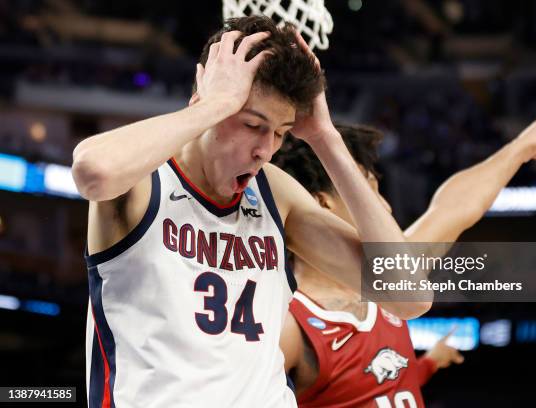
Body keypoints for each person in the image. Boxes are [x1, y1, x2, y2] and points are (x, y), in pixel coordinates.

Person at [71, 16, 431, 408]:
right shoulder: (145, 181)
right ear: (204, 99)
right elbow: (93, 172)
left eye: (279, 132)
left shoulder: (274, 192)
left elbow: (409, 296)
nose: (265, 149)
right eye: (251, 124)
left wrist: (323, 137)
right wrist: (212, 105)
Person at [275, 113, 536, 407]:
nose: (386, 206)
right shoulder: (288, 323)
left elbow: (453, 207)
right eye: (370, 189)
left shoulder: (393, 280)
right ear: (322, 203)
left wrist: (520, 148)